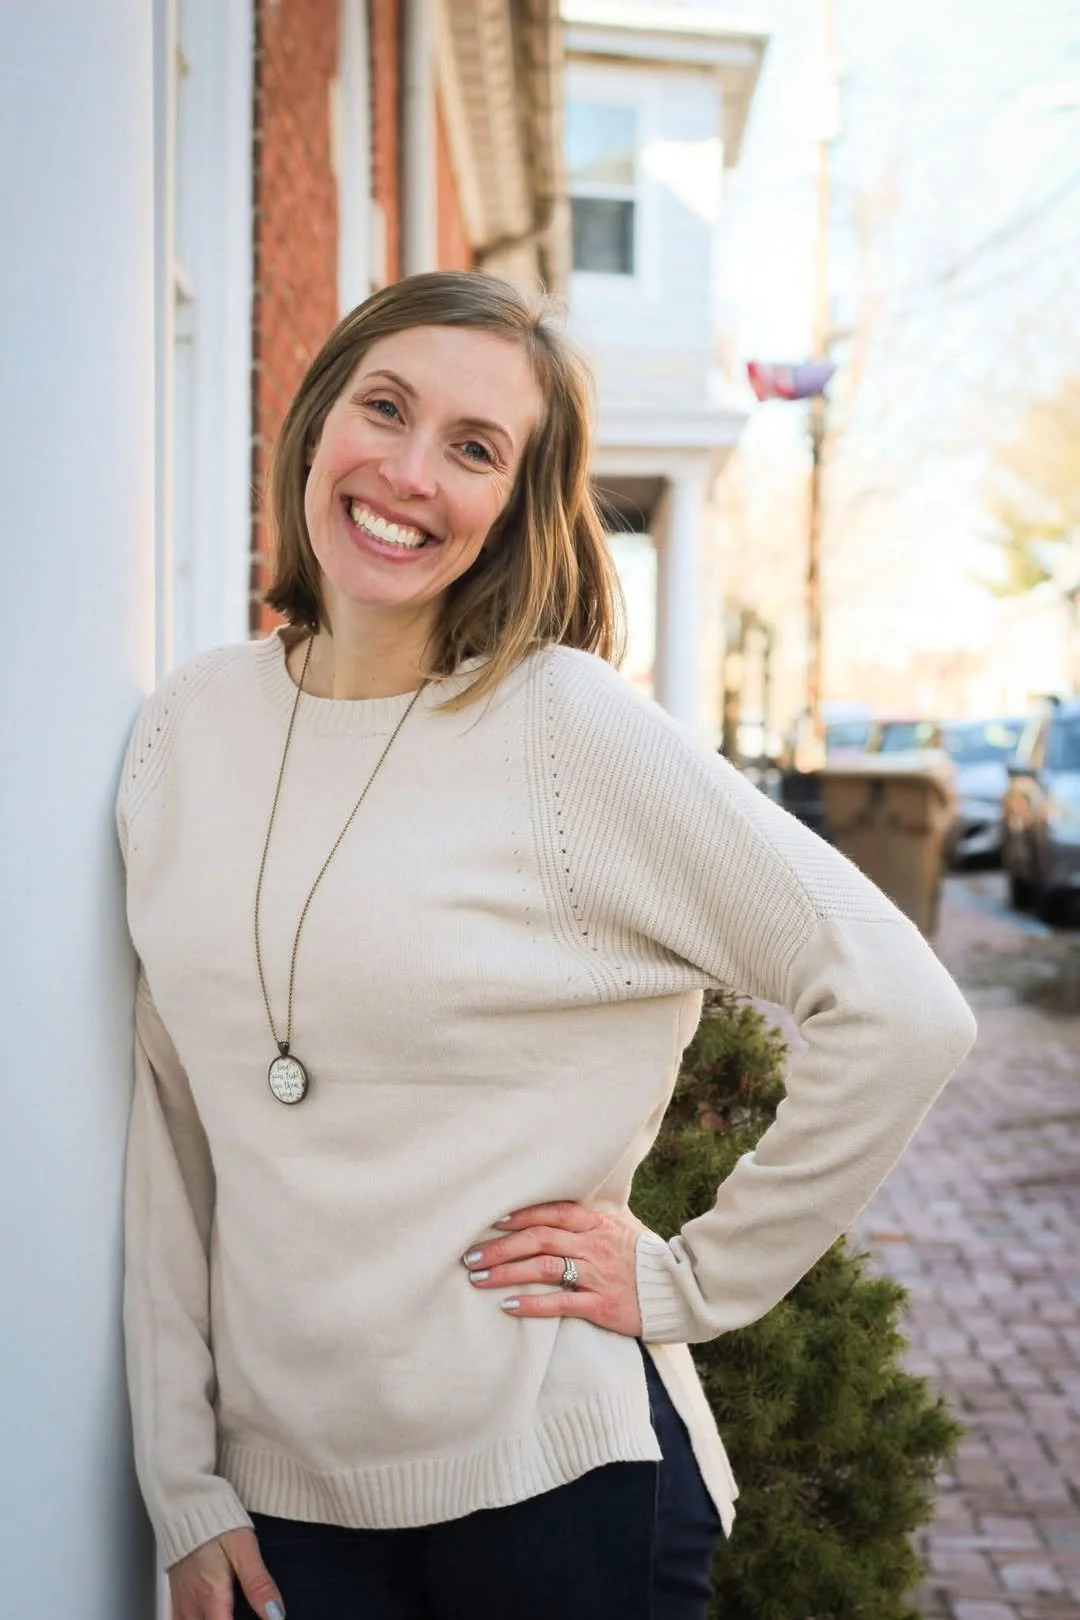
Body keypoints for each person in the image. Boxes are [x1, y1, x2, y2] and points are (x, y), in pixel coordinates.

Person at [117, 270, 976, 1620]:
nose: (407, 473)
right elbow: (171, 1126)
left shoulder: (564, 729)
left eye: (474, 449)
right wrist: (183, 1481)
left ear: (517, 506)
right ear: (313, 417)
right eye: (383, 408)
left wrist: (693, 1277)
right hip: (285, 1506)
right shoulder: (186, 729)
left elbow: (901, 1008)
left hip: (556, 1491)